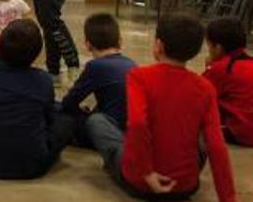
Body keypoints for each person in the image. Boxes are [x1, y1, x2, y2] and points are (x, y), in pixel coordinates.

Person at [86, 13, 237, 202]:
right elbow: (216, 146)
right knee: (202, 132)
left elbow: (138, 124)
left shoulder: (139, 77)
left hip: (141, 182)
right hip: (185, 185)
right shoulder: (205, 88)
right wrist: (228, 198)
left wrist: (147, 173)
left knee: (97, 121)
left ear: (159, 45)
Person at [0, 20, 75, 179]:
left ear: (1, 46)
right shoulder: (43, 79)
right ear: (37, 51)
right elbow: (50, 118)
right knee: (67, 120)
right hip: (31, 166)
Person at [203, 16, 253, 146]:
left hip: (248, 135)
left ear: (217, 48)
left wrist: (208, 67)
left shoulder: (221, 68)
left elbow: (200, 97)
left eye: (208, 45)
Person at [59, 13, 136, 147]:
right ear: (120, 41)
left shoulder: (95, 66)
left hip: (108, 130)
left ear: (88, 45)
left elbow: (68, 102)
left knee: (58, 112)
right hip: (130, 129)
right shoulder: (131, 64)